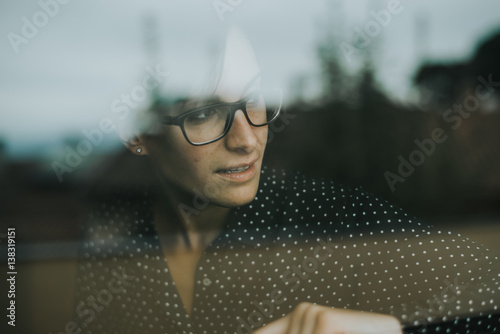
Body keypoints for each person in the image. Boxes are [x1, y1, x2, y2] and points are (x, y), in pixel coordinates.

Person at [74, 27, 500, 334]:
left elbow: (484, 293)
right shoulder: (115, 256)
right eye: (204, 114)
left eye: (253, 100)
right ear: (141, 137)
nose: (247, 140)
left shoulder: (325, 216)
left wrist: (391, 330)